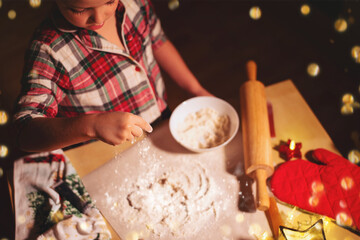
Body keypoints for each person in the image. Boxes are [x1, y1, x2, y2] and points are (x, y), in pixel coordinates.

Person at [14, 0, 212, 152]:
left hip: (161, 122)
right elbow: (24, 130)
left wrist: (195, 89)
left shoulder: (135, 3)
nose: (99, 19)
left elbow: (158, 41)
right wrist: (92, 125)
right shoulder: (48, 51)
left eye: (109, 1)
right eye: (79, 10)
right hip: (105, 153)